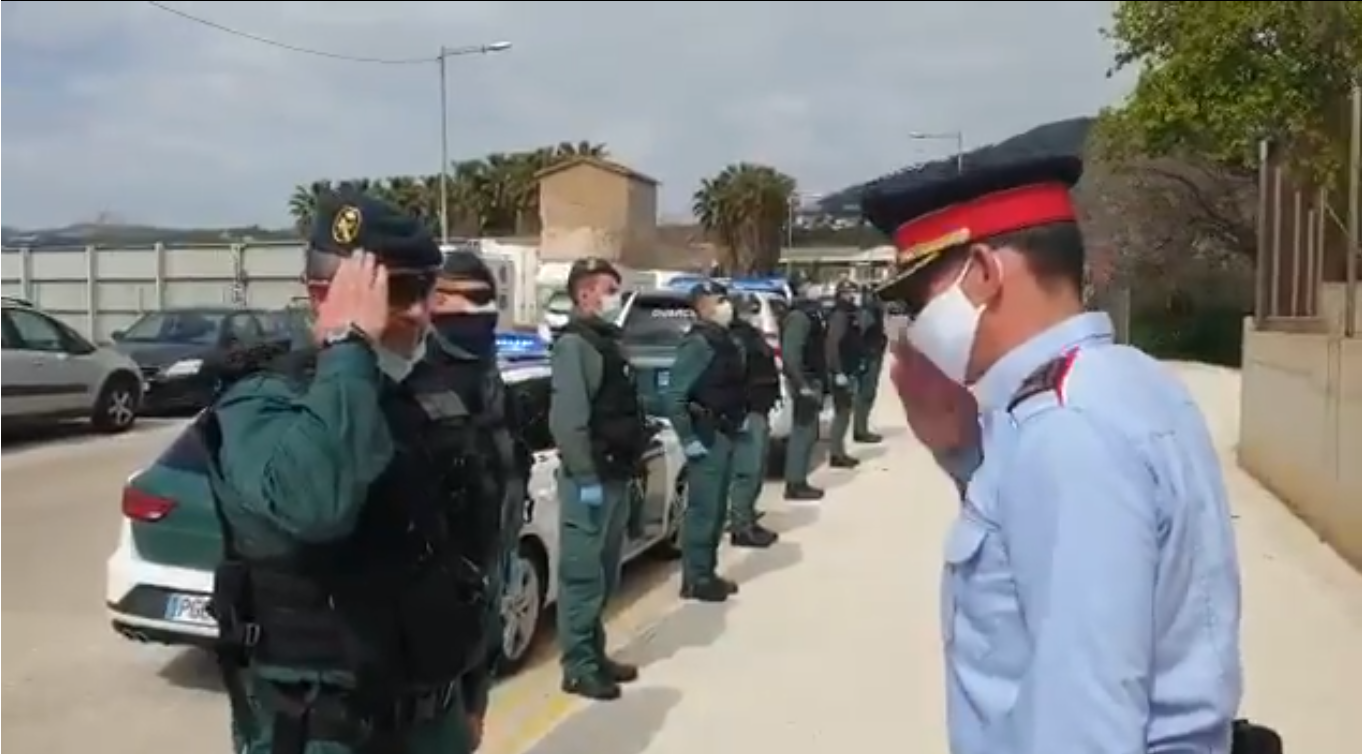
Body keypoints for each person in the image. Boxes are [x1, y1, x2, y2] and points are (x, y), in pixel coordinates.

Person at [862, 155, 1245, 754]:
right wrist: (961, 455)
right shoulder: (1123, 382)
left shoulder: (1066, 429)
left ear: (985, 273)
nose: (912, 325)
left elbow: (1086, 722)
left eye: (919, 300)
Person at [205, 191, 500, 754]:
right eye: (401, 292)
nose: (423, 312)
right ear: (326, 296)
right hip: (328, 732)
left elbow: (463, 555)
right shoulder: (264, 404)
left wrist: (472, 692)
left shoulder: (413, 398)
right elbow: (314, 505)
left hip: (432, 719)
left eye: (428, 289)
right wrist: (348, 348)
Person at [428, 249, 534, 743]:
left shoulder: (490, 383)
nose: (468, 312)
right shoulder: (415, 388)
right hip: (433, 600)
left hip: (489, 571)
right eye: (451, 297)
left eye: (480, 300)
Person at [548, 257, 650, 701]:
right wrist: (585, 473)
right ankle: (578, 666)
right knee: (583, 578)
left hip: (615, 475)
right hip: (589, 479)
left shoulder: (608, 342)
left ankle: (596, 653)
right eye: (608, 289)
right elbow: (569, 420)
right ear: (584, 293)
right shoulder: (575, 346)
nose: (615, 297)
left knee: (606, 576)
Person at [663, 280, 745, 605]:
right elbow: (675, 397)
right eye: (719, 299)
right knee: (704, 511)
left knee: (716, 510)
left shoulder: (721, 339)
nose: (726, 305)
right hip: (706, 435)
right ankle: (696, 578)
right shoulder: (698, 343)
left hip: (724, 432)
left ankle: (707, 573)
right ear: (702, 305)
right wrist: (688, 438)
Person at [726, 301, 781, 548]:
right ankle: (740, 526)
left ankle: (748, 518)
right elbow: (736, 377)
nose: (756, 314)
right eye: (751, 310)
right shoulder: (737, 338)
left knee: (757, 469)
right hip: (748, 410)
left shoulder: (751, 335)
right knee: (748, 471)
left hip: (760, 407)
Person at [778, 274, 827, 501]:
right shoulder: (798, 317)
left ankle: (800, 479)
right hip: (805, 381)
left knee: (809, 433)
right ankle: (795, 483)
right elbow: (791, 355)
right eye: (809, 285)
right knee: (802, 432)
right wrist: (802, 385)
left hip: (813, 378)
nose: (815, 288)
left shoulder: (811, 313)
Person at [823, 278, 864, 467]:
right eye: (849, 293)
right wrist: (838, 371)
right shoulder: (840, 315)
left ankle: (838, 451)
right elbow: (832, 345)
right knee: (843, 412)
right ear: (841, 294)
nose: (852, 296)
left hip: (849, 368)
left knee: (845, 412)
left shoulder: (849, 312)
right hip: (842, 370)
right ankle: (836, 453)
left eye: (853, 292)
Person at [851, 282, 888, 443]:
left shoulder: (871, 310)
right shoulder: (867, 312)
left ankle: (861, 428)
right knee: (865, 393)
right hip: (869, 356)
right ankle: (860, 429)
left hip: (872, 353)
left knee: (867, 393)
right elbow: (860, 335)